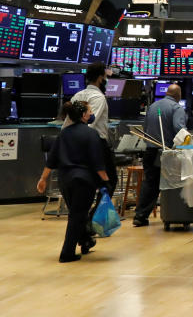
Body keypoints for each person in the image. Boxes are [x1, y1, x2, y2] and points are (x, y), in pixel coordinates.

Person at [37, 99, 110, 262]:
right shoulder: (92, 134)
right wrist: (106, 181)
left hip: (65, 180)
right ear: (84, 115)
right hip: (83, 181)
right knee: (77, 216)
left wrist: (42, 179)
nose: (91, 114)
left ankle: (85, 241)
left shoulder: (64, 133)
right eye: (90, 112)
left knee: (78, 214)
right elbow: (98, 163)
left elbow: (51, 160)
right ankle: (67, 253)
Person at [133, 84, 186, 227]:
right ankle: (175, 215)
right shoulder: (177, 108)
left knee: (150, 183)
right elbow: (179, 129)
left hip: (150, 151)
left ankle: (140, 216)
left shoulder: (153, 106)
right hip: (167, 152)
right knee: (174, 183)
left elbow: (145, 128)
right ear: (178, 95)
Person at [63, 63, 117, 195]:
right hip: (96, 144)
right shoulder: (99, 97)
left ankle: (87, 213)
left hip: (76, 144)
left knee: (87, 181)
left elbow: (67, 124)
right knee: (109, 181)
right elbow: (91, 124)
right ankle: (96, 214)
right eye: (105, 76)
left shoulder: (78, 95)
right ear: (100, 78)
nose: (106, 80)